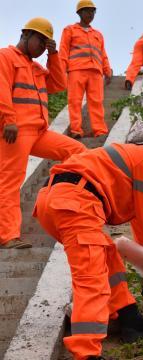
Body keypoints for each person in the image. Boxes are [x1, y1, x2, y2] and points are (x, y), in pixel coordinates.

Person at [34, 117, 143, 359]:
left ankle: (127, 317)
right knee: (92, 280)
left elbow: (141, 222)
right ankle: (87, 352)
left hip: (61, 201)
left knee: (108, 257)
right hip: (75, 204)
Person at [0, 17, 86, 250]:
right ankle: (8, 235)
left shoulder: (36, 67)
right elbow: (1, 89)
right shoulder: (5, 57)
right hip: (15, 132)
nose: (41, 47)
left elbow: (59, 84)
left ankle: (56, 196)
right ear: (25, 34)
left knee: (77, 151)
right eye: (40, 41)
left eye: (46, 43)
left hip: (39, 131)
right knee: (9, 182)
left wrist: (53, 54)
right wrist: (9, 120)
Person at [59, 0, 112, 138]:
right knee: (75, 101)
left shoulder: (98, 34)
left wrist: (107, 70)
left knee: (96, 101)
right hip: (76, 70)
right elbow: (63, 51)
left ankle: (99, 130)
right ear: (79, 13)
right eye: (88, 10)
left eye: (93, 11)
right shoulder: (69, 30)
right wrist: (61, 70)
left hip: (95, 72)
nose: (91, 13)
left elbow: (102, 53)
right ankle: (76, 130)